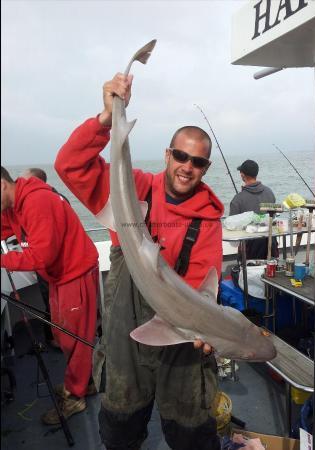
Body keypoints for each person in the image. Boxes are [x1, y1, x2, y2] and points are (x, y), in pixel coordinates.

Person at [54, 72, 224, 450]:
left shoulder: (208, 219)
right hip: (125, 339)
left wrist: (208, 326)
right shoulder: (133, 189)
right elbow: (70, 165)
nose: (186, 166)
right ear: (168, 154)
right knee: (120, 426)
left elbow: (203, 285)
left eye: (197, 162)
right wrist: (106, 118)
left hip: (179, 339)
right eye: (180, 155)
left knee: (190, 429)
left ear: (206, 168)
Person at [1, 166, 99, 424]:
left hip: (75, 274)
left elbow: (43, 255)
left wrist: (3, 259)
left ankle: (75, 397)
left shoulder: (36, 201)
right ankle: (83, 383)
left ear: (2, 185)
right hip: (59, 276)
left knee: (74, 341)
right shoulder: (14, 205)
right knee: (62, 336)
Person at [22, 167, 70, 345]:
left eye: (27, 181)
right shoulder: (51, 198)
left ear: (38, 182)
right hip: (45, 265)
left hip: (54, 266)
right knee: (52, 304)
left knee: (57, 306)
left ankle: (58, 339)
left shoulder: (47, 200)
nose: (23, 185)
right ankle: (55, 337)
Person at [230, 159, 278, 260]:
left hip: (249, 251)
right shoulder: (270, 192)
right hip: (271, 246)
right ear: (256, 173)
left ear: (242, 175)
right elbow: (272, 217)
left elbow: (232, 230)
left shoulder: (238, 199)